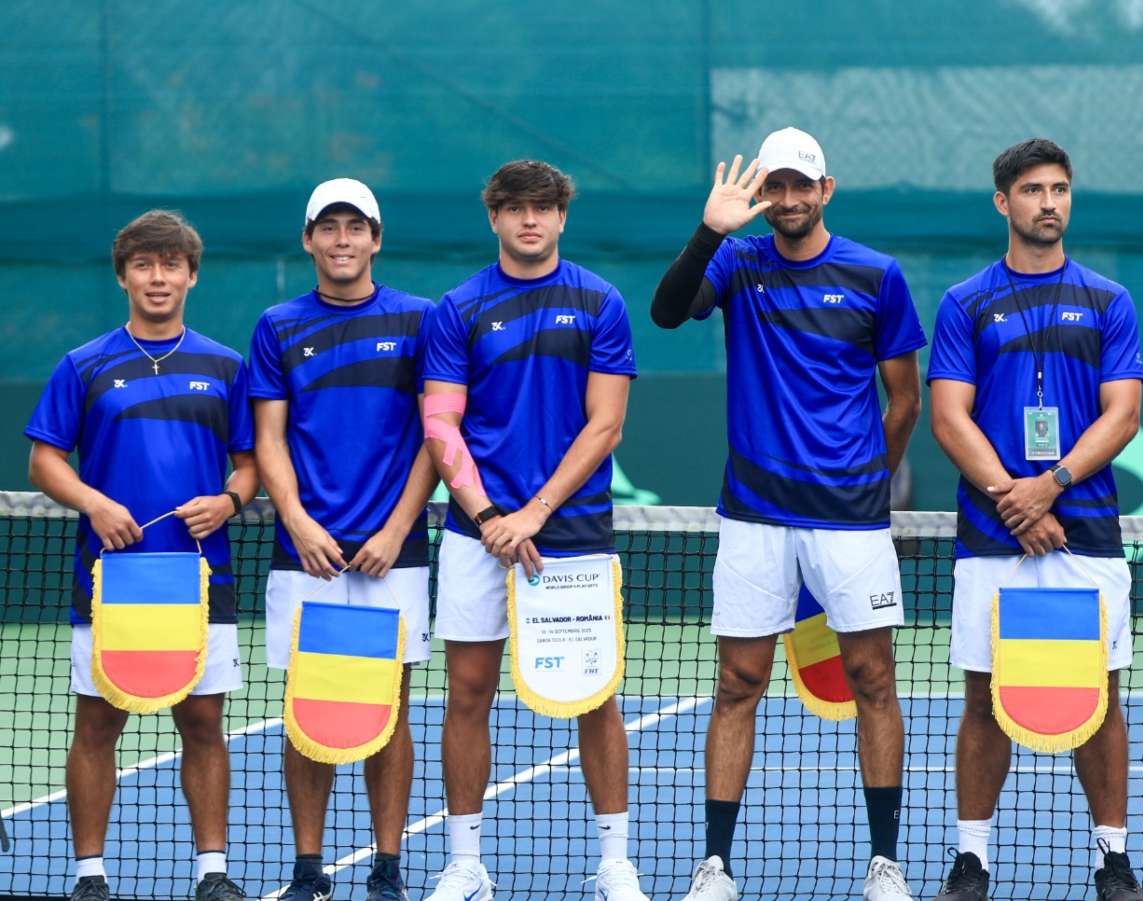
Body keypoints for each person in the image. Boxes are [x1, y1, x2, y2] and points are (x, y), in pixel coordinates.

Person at [650, 128, 925, 901]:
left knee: (873, 678)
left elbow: (903, 396)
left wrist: (871, 476)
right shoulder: (738, 261)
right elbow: (668, 313)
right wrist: (711, 227)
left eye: (803, 185)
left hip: (850, 519)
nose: (791, 199)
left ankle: (885, 863)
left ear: (826, 189)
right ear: (764, 193)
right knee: (738, 681)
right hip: (754, 515)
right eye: (777, 186)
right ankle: (715, 865)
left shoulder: (877, 275)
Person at [927, 138, 1143, 901]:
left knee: (1099, 696)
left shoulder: (1108, 300)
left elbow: (1122, 415)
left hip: (1085, 533)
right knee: (984, 696)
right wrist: (1013, 502)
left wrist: (1048, 484)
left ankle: (1112, 859)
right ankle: (971, 860)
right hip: (994, 538)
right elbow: (949, 419)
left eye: (1059, 188)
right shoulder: (964, 302)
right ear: (1003, 201)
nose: (1048, 202)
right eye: (1031, 190)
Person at [421, 160, 646, 901]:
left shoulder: (600, 301)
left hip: (573, 533)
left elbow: (605, 423)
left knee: (595, 695)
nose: (530, 219)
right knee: (468, 691)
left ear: (561, 218)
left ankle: (615, 862)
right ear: (493, 218)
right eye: (514, 208)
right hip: (475, 535)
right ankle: (465, 864)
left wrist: (534, 513)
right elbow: (441, 423)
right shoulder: (457, 309)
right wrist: (490, 515)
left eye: (543, 208)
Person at [25, 210, 257, 901]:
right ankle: (88, 875)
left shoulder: (224, 366)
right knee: (98, 723)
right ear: (123, 275)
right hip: (109, 577)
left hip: (200, 575)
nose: (158, 277)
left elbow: (250, 465)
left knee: (204, 722)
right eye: (144, 265)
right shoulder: (85, 364)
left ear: (192, 275)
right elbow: (44, 461)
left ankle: (211, 872)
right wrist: (94, 502)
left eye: (171, 264)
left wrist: (229, 501)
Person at [249, 179, 438, 901]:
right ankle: (308, 868)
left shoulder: (420, 320)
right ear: (309, 240)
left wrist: (395, 529)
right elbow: (269, 436)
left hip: (395, 552)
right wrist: (296, 520)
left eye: (354, 227)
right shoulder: (276, 325)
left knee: (389, 706)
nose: (341, 240)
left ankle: (386, 867)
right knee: (311, 706)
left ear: (376, 238)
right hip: (308, 555)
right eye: (327, 227)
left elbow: (435, 435)